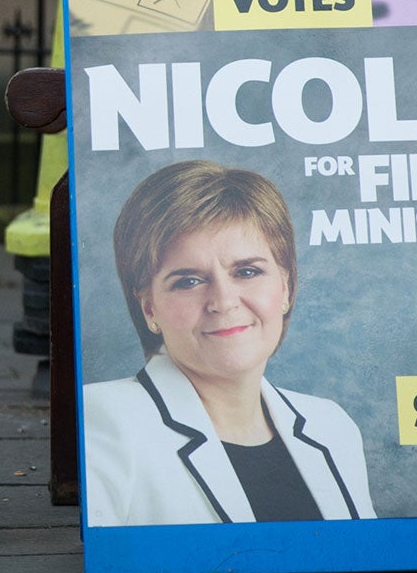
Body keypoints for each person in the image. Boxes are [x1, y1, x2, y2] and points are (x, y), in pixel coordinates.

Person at [82, 159, 375, 527]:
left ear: (285, 288)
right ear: (149, 308)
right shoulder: (106, 420)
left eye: (247, 271)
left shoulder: (330, 426)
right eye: (188, 281)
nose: (223, 301)